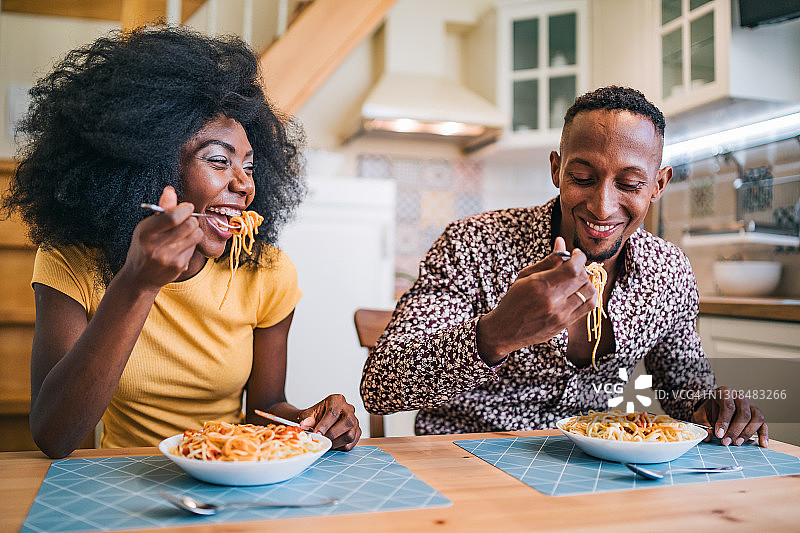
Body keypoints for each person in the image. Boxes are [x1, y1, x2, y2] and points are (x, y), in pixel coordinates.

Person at [2, 25, 361, 459]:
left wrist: (312, 420)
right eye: (218, 161)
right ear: (152, 167)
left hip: (225, 471)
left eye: (249, 166)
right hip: (120, 477)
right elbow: (54, 435)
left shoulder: (266, 271)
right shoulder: (72, 261)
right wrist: (138, 282)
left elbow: (265, 408)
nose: (244, 185)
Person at [361, 86, 768, 448]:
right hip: (466, 462)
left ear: (658, 185)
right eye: (583, 177)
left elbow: (684, 391)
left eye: (629, 184)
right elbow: (381, 386)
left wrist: (715, 410)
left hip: (592, 471)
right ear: (556, 168)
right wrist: (494, 333)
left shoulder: (669, 271)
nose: (602, 206)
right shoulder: (474, 244)